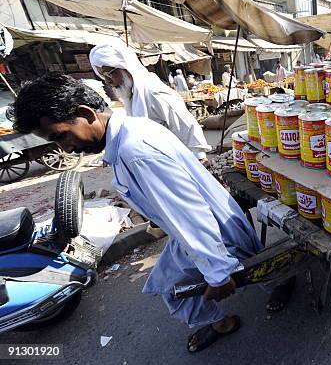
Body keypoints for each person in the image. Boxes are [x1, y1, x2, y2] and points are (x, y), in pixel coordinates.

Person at [7, 73, 295, 352]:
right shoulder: (129, 134)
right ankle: (226, 317)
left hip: (212, 233)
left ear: (85, 113)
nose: (65, 148)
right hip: (200, 230)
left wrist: (218, 274)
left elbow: (190, 214)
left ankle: (278, 283)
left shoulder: (136, 151)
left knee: (225, 275)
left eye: (61, 136)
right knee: (172, 284)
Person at [88, 44, 211, 163]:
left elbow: (185, 125)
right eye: (103, 76)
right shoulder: (131, 95)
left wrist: (198, 157)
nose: (108, 81)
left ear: (126, 67)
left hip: (178, 161)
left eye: (109, 73)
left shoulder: (153, 92)